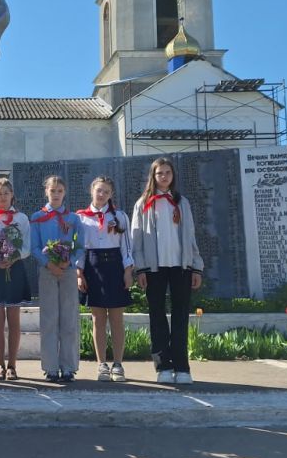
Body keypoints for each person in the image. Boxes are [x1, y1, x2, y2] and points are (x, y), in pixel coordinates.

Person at [131, 157, 204, 385]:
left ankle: (182, 367)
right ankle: (163, 365)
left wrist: (196, 267)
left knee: (181, 316)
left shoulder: (181, 202)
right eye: (159, 173)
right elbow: (137, 239)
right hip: (154, 268)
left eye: (167, 173)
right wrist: (140, 268)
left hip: (181, 267)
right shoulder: (143, 203)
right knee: (157, 316)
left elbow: (190, 235)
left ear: (173, 176)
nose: (164, 177)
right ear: (153, 176)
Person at [76, 177, 134, 382]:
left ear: (111, 195)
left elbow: (126, 246)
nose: (102, 195)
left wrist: (128, 271)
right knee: (98, 319)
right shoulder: (81, 218)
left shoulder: (119, 216)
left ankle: (118, 364)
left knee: (117, 318)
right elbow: (80, 248)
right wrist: (79, 273)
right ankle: (102, 364)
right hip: (93, 266)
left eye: (106, 192)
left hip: (115, 266)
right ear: (92, 191)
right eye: (99, 190)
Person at [30, 175, 83, 382]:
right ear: (46, 192)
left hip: (68, 271)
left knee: (69, 319)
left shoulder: (73, 219)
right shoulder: (37, 217)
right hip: (47, 271)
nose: (56, 194)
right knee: (49, 319)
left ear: (65, 192)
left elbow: (80, 245)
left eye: (60, 190)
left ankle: (68, 366)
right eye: (53, 191)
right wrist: (49, 263)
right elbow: (35, 246)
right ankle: (50, 366)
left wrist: (68, 262)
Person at [0, 178, 31, 381]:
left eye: (6, 193)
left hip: (15, 268)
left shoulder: (22, 218)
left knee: (13, 318)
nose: (2, 197)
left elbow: (27, 246)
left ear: (12, 195)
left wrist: (13, 257)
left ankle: (12, 365)